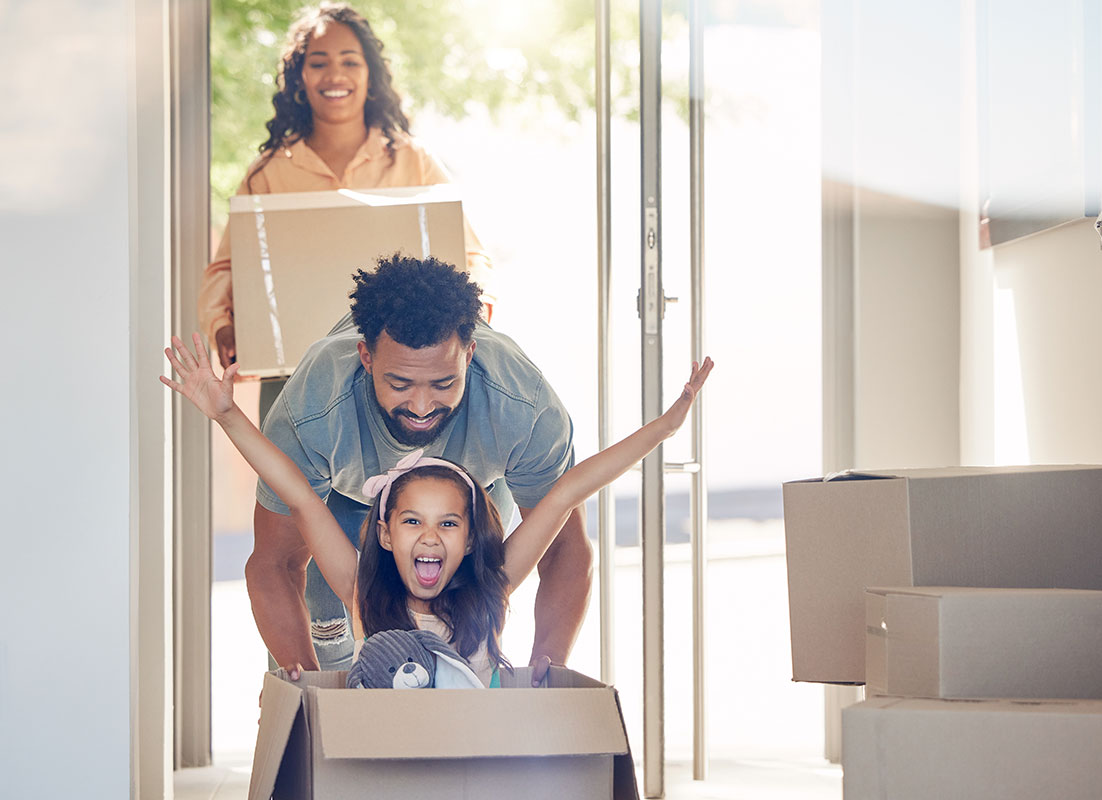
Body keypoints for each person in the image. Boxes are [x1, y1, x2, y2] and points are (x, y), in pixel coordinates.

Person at [162, 333, 712, 685]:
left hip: (466, 764)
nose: (430, 537)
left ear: (471, 538)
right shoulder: (362, 590)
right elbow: (301, 496)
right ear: (382, 534)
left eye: (448, 523)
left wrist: (663, 429)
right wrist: (227, 415)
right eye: (411, 522)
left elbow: (568, 490)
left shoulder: (490, 586)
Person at [232, 254, 598, 679]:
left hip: (475, 490)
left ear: (469, 355)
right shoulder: (314, 411)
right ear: (366, 358)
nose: (422, 408)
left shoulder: (522, 407)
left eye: (444, 384)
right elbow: (274, 563)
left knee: (462, 654)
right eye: (399, 384)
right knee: (329, 650)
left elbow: (565, 549)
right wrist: (303, 691)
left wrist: (545, 673)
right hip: (344, 499)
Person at [198, 1, 495, 374]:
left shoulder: (412, 160)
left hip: (399, 374)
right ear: (299, 78)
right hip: (293, 374)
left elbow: (471, 257)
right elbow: (225, 269)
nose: (335, 75)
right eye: (319, 63)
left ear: (370, 75)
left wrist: (475, 315)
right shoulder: (269, 173)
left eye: (350, 61)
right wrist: (222, 326)